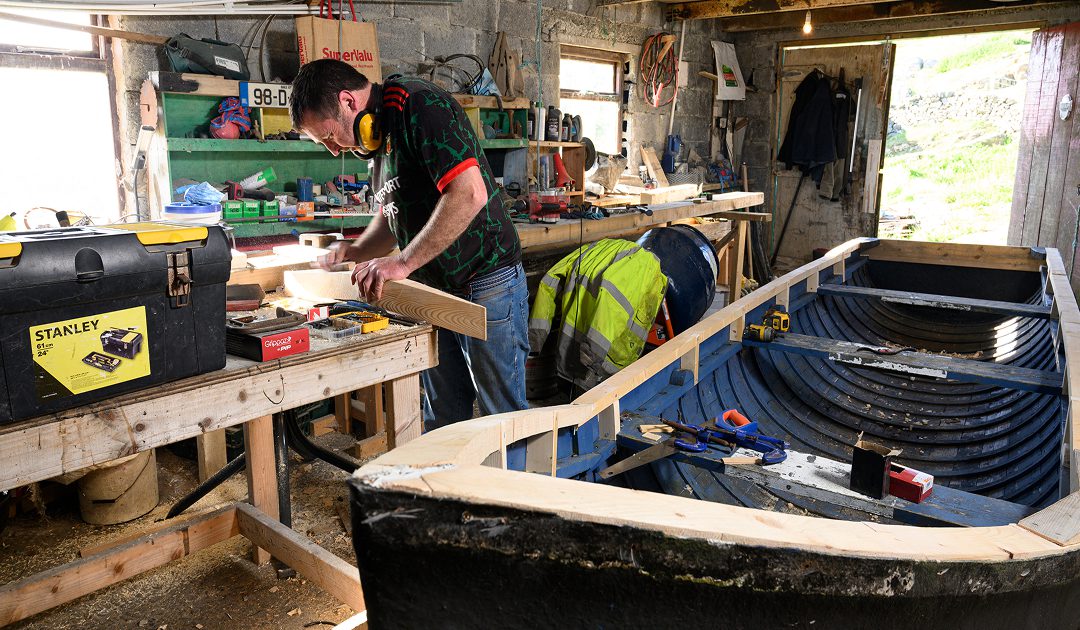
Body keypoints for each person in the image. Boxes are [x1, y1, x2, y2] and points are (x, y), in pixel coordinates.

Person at [290, 59, 529, 431]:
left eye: (330, 136)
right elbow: (394, 212)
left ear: (349, 102)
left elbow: (469, 193)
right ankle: (448, 489)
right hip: (435, 289)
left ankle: (515, 488)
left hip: (485, 280)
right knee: (444, 416)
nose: (334, 150)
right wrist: (356, 250)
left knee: (503, 418)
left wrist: (401, 263)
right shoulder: (374, 137)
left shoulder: (421, 106)